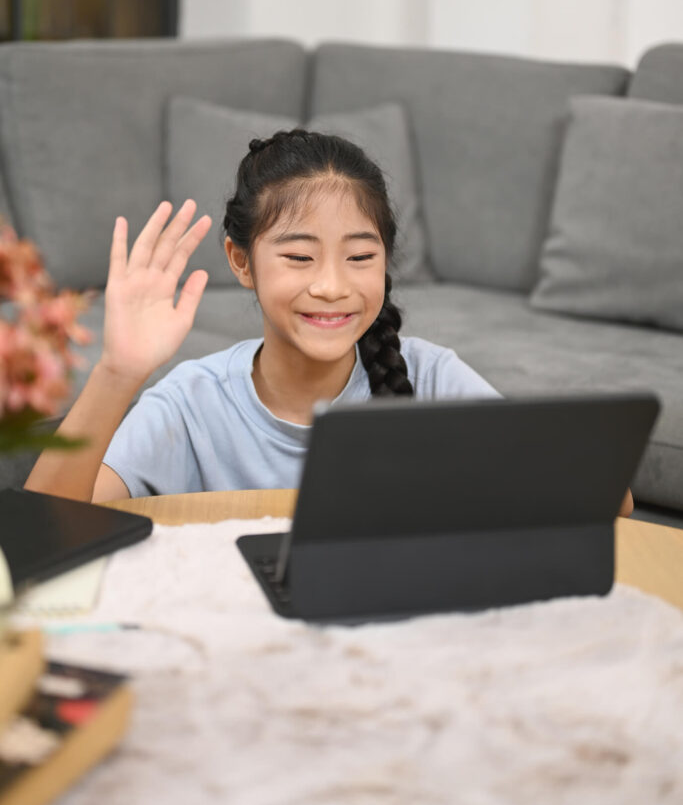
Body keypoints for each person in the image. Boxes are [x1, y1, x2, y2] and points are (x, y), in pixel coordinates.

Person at [26, 129, 634, 516]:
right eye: (297, 256)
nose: (333, 285)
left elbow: (608, 502)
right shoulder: (190, 403)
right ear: (242, 262)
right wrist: (117, 372)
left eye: (360, 257)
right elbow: (50, 527)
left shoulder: (430, 375)